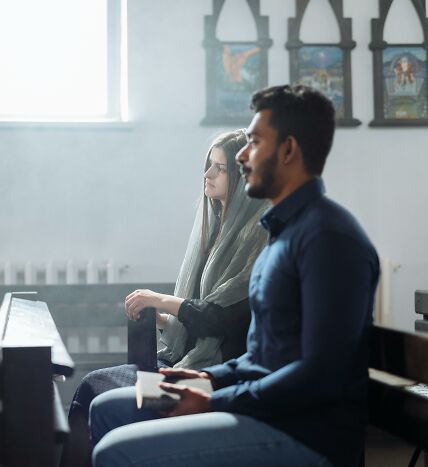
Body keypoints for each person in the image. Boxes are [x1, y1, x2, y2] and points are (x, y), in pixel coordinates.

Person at [89, 85, 380, 467]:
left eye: (255, 143)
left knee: (116, 451)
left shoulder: (328, 239)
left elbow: (320, 374)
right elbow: (261, 357)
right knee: (108, 405)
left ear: (289, 150)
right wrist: (205, 378)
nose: (242, 155)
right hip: (260, 405)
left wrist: (213, 399)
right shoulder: (282, 235)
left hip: (305, 431)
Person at [61, 129, 269, 467]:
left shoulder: (257, 237)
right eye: (208, 165)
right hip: (185, 362)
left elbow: (221, 317)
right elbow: (201, 311)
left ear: (243, 177)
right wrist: (166, 319)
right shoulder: (214, 231)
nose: (207, 174)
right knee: (93, 389)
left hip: (212, 374)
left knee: (99, 392)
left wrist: (162, 301)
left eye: (220, 168)